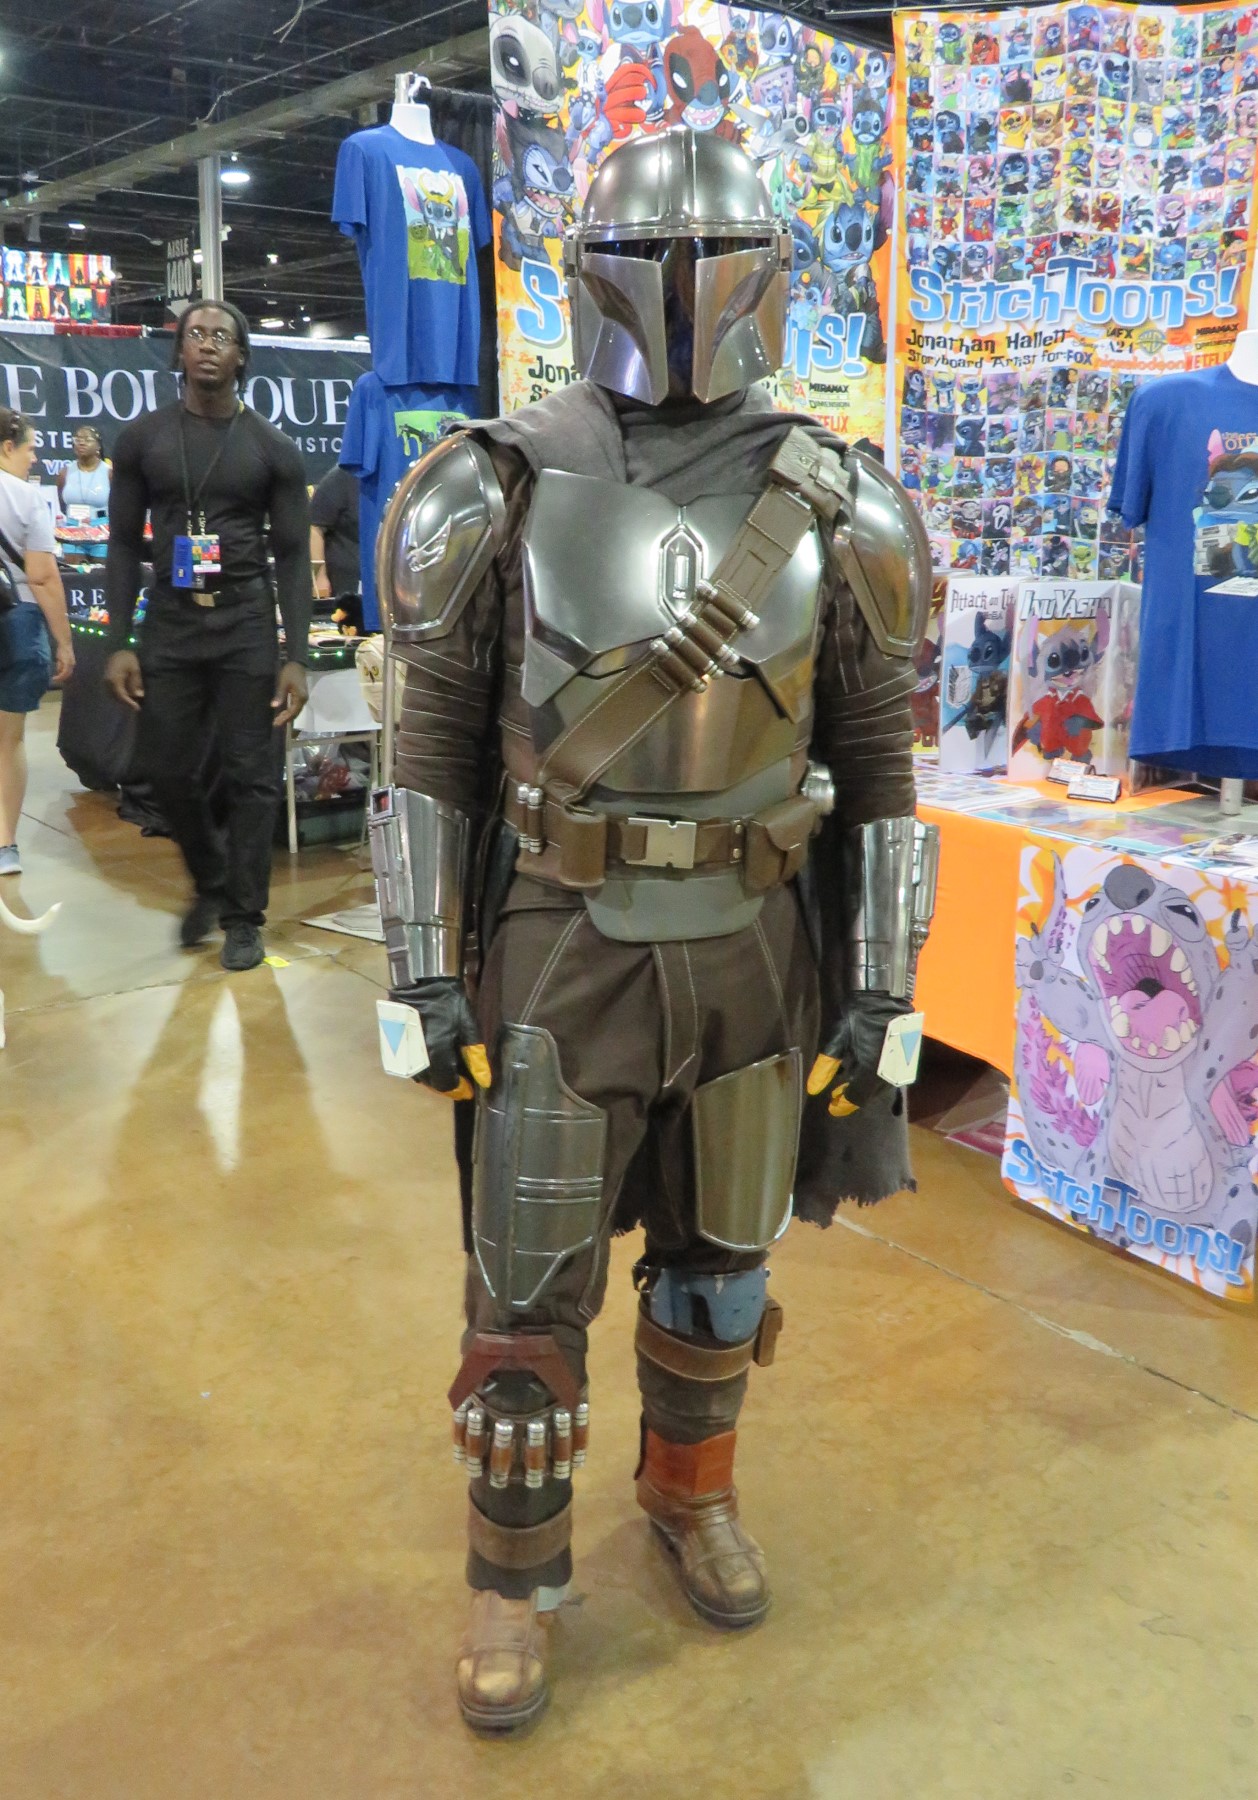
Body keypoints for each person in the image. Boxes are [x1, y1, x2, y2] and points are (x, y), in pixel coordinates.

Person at [369, 129, 936, 1733]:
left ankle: (691, 1495)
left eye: (713, 257)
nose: (683, 287)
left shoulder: (841, 497)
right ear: (594, 274)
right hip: (564, 942)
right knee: (526, 1288)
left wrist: (881, 979)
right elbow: (429, 744)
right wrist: (420, 965)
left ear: (765, 273)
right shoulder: (493, 479)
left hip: (755, 940)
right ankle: (511, 1575)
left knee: (722, 1267)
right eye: (651, 258)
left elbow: (877, 757)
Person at [103, 300, 312, 971]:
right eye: (195, 334)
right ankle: (211, 875)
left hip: (245, 620)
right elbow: (120, 544)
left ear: (241, 355)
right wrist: (119, 641)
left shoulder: (272, 449)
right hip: (170, 620)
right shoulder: (143, 440)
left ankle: (243, 916)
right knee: (164, 769)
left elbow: (292, 556)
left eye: (222, 336)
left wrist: (297, 655)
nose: (208, 344)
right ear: (179, 352)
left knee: (253, 776)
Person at [0, 407, 75, 875]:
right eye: (29, 448)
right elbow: (43, 577)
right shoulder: (26, 498)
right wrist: (64, 642)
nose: (34, 458)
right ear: (7, 446)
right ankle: (5, 845)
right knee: (8, 740)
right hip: (16, 624)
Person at [309, 463, 361, 630]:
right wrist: (319, 577)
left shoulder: (396, 473)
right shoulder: (341, 477)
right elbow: (314, 527)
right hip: (344, 587)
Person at [56, 424, 111, 561]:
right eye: (78, 439)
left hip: (102, 531)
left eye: (87, 439)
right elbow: (62, 505)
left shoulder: (109, 473)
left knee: (100, 573)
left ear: (98, 446)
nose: (81, 442)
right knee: (75, 572)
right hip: (72, 530)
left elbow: (119, 506)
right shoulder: (65, 473)